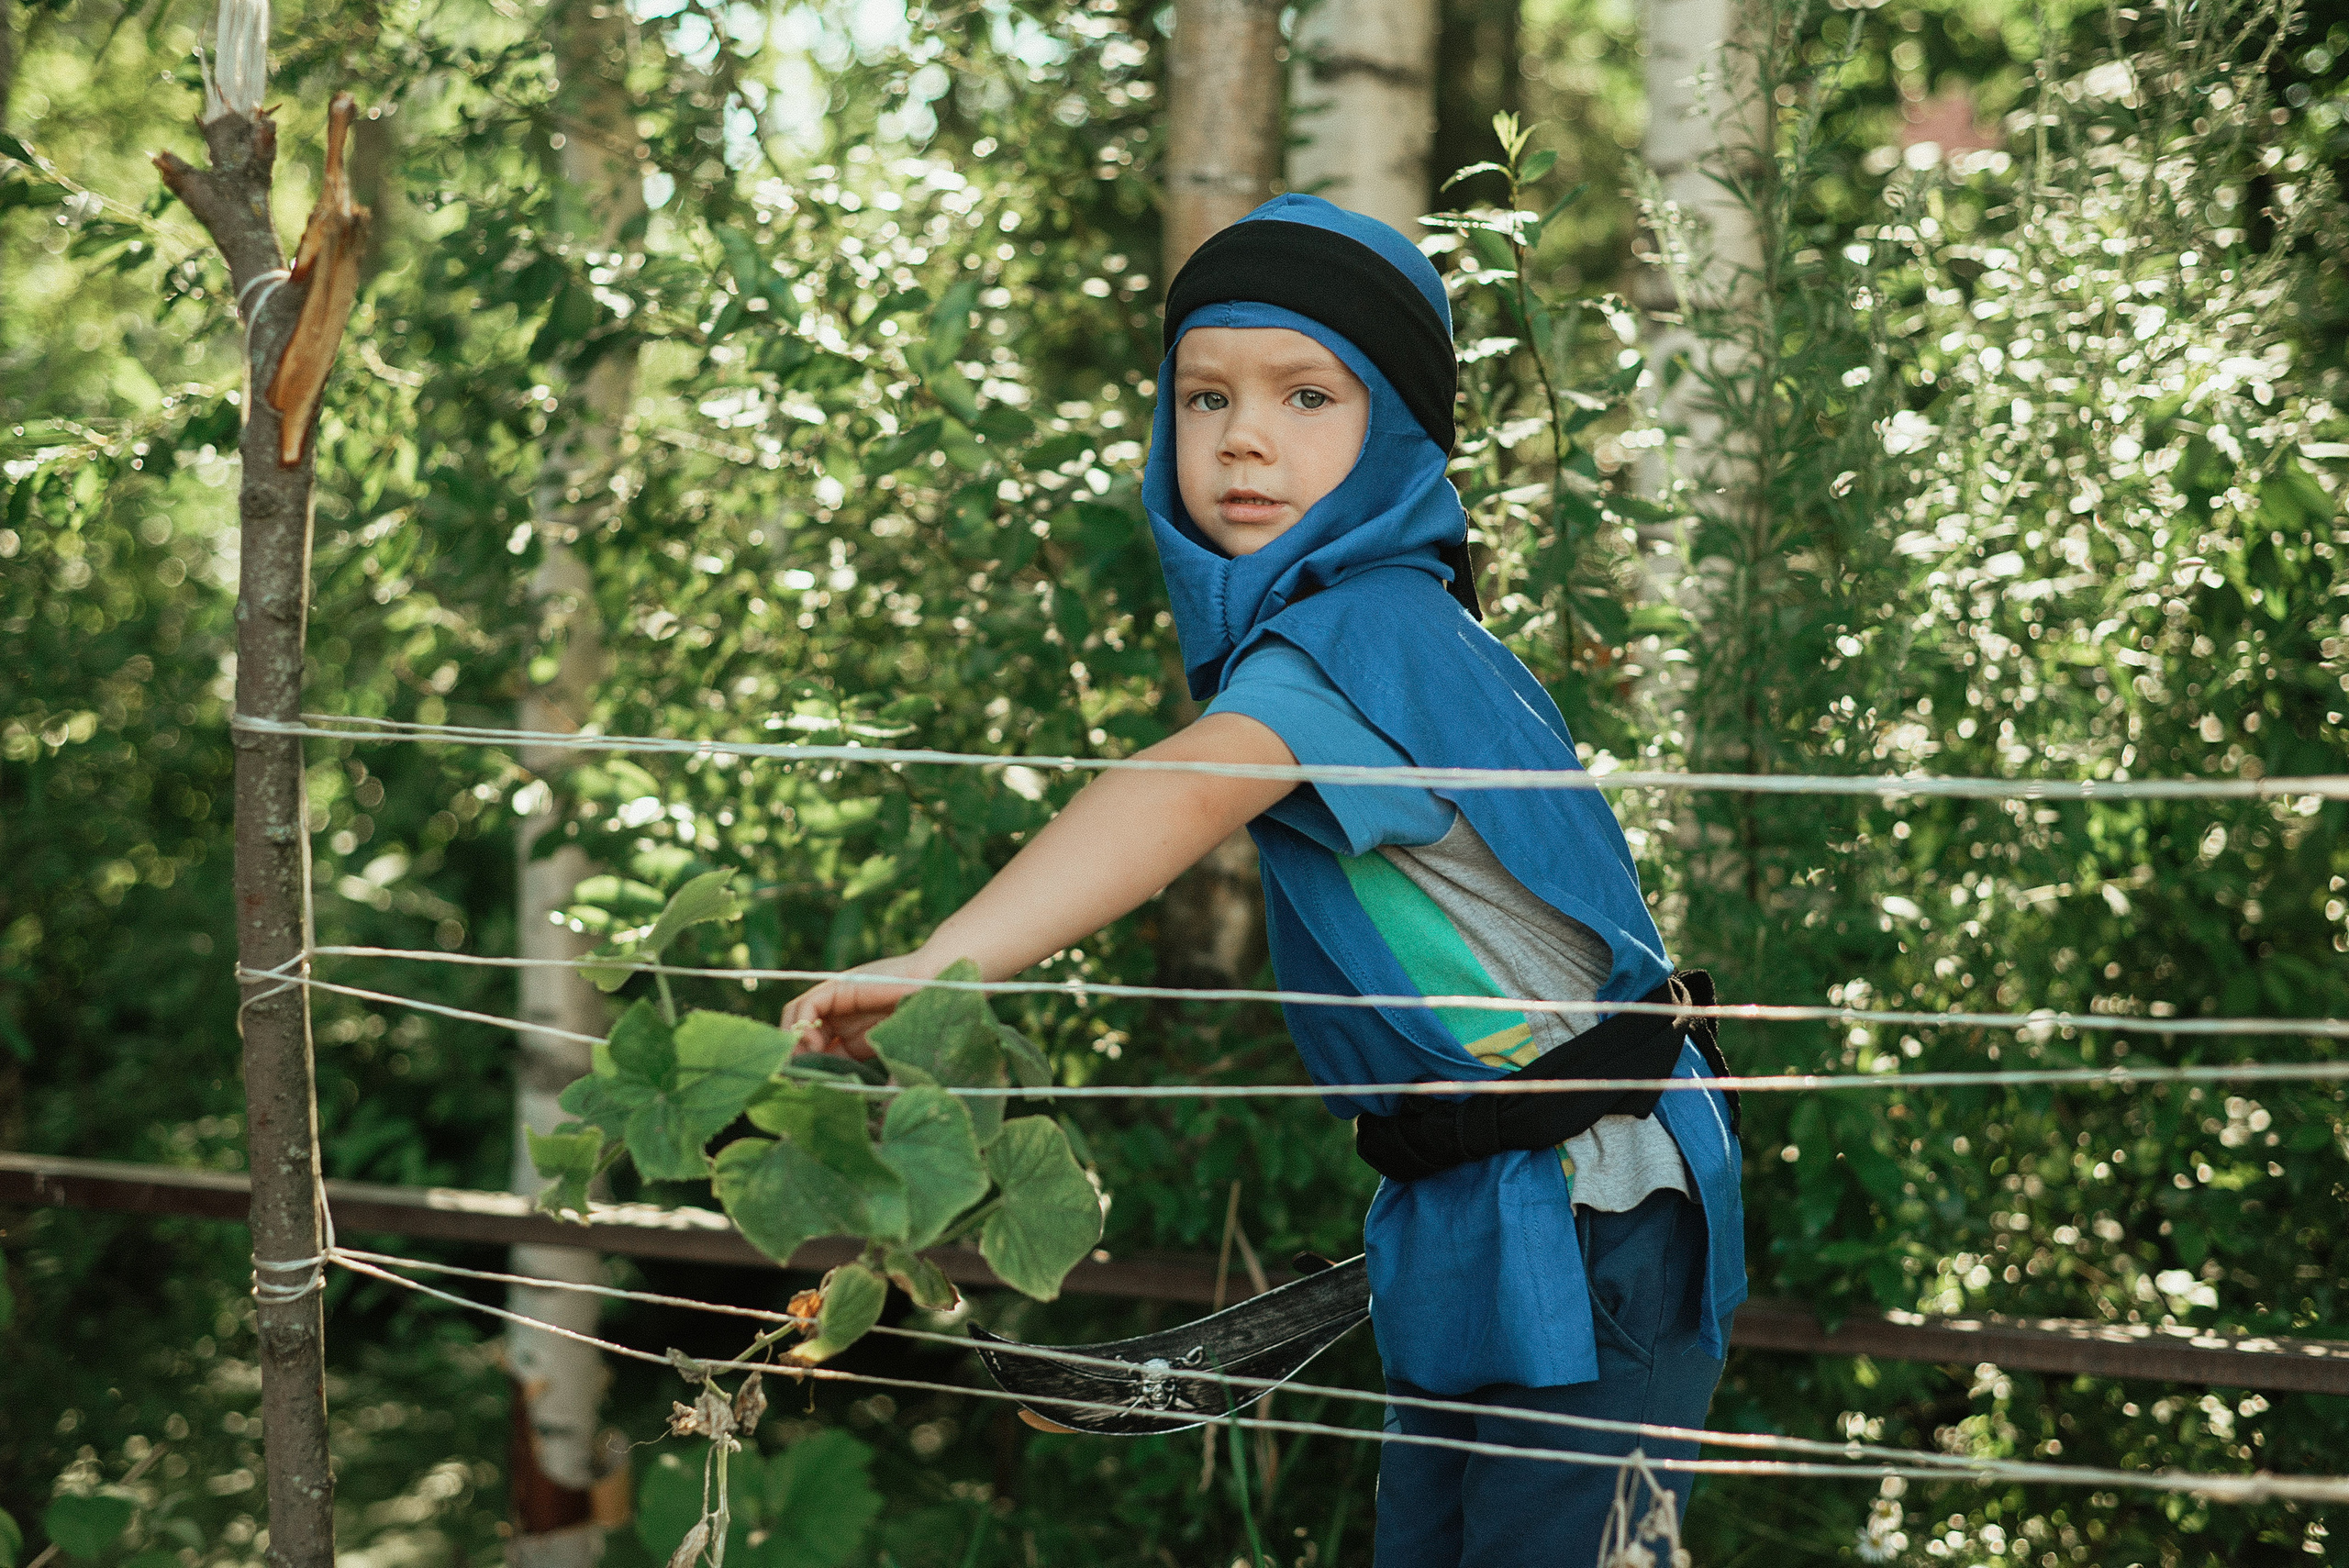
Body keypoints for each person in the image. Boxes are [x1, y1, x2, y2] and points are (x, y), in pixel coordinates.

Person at [784, 194, 1745, 1567]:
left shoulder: (1365, 634)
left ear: (1398, 437)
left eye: (1307, 395)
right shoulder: (1374, 624)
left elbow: (1177, 791)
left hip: (1597, 1216)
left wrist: (937, 966)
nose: (1243, 435)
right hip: (1491, 1203)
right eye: (1203, 397)